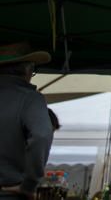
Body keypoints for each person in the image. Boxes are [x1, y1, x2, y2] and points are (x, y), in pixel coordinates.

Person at [0, 42, 54, 200]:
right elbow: (41, 136)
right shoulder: (29, 98)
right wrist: (29, 185)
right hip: (9, 191)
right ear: (28, 70)